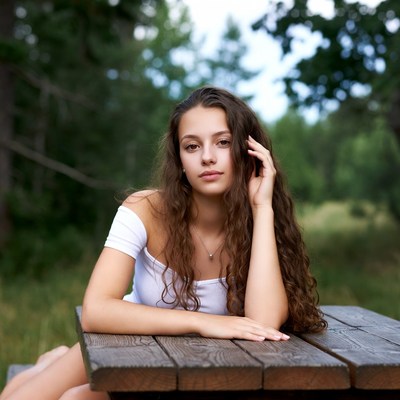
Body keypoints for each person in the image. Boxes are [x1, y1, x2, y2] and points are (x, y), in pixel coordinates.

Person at [0, 86, 326, 400]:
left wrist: (262, 206)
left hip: (204, 374)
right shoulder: (144, 209)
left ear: (248, 149)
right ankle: (50, 362)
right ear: (180, 160)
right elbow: (96, 310)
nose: (208, 157)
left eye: (223, 142)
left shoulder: (260, 221)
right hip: (123, 348)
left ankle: (49, 362)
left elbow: (264, 324)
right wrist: (203, 323)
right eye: (192, 146)